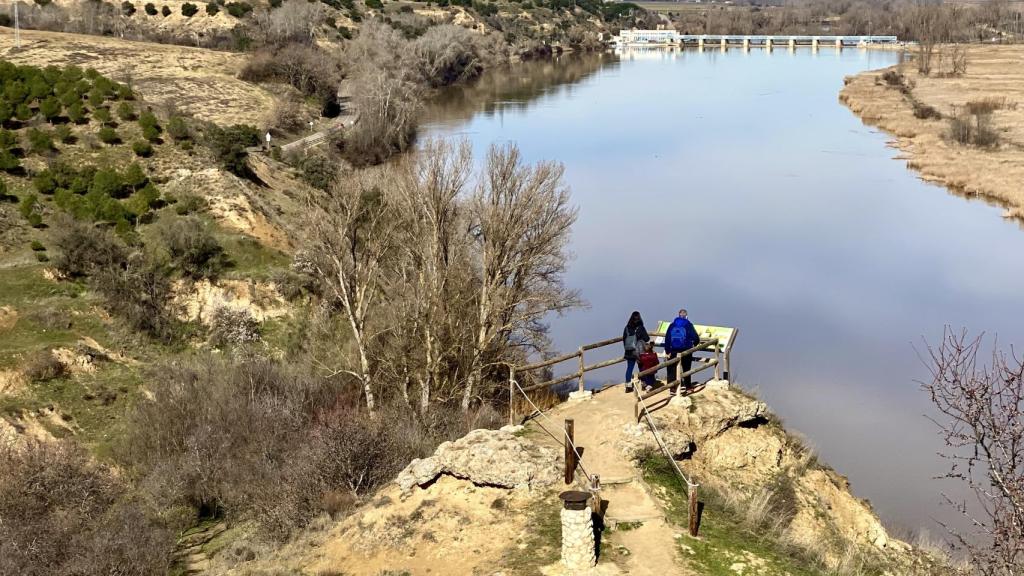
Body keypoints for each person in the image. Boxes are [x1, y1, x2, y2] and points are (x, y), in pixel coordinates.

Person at [663, 308, 701, 395]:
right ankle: (688, 387)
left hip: (673, 350)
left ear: (678, 315)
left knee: (672, 368)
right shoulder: (688, 325)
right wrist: (694, 345)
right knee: (686, 368)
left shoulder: (672, 325)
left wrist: (667, 350)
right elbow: (695, 338)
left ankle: (672, 388)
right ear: (686, 316)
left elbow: (667, 338)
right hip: (686, 350)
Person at [622, 311, 650, 392]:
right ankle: (644, 383)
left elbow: (624, 339)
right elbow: (647, 338)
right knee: (642, 367)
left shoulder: (627, 327)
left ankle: (628, 386)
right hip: (639, 351)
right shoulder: (641, 328)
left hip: (629, 351)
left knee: (629, 368)